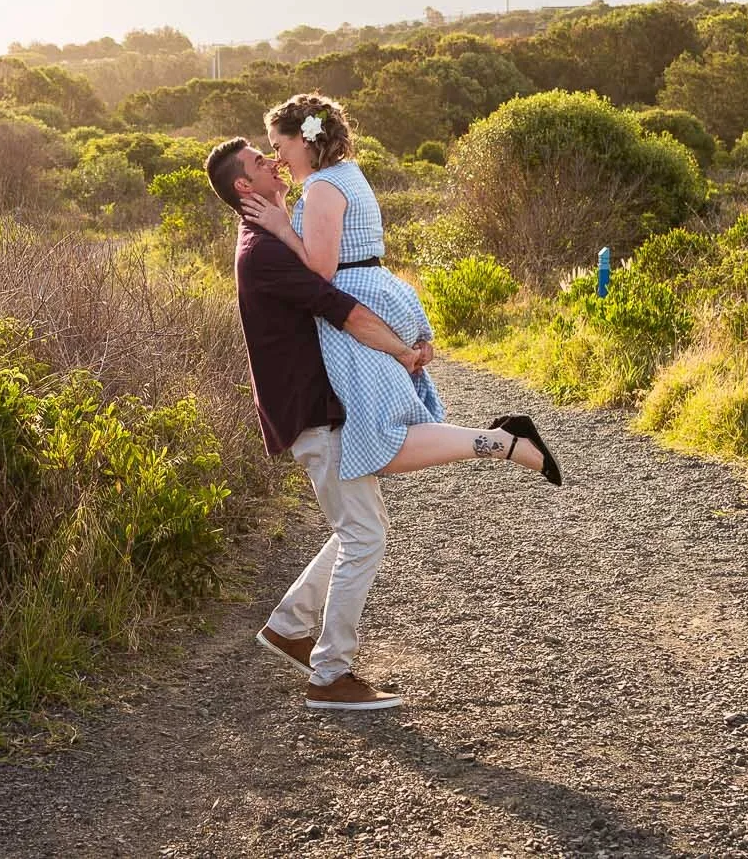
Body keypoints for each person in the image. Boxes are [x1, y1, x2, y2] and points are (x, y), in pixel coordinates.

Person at [240, 93, 561, 487]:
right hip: (377, 288)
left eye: (278, 146)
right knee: (382, 432)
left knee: (380, 438)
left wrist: (281, 227)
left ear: (305, 139)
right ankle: (499, 441)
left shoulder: (322, 188)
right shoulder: (346, 174)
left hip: (354, 298)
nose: (277, 159)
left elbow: (321, 269)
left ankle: (502, 441)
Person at [206, 136, 427, 710]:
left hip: (319, 409)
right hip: (312, 412)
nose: (273, 160)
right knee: (364, 534)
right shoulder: (266, 250)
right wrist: (404, 352)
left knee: (361, 525)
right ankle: (330, 676)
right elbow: (342, 308)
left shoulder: (268, 235)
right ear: (244, 187)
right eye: (261, 160)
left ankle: (289, 625)